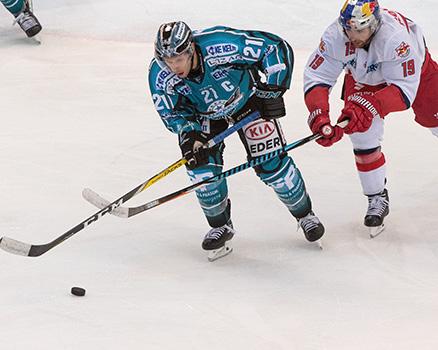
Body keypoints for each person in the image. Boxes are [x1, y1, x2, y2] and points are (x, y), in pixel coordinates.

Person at [149, 21, 325, 261]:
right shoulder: (159, 75)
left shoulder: (221, 45)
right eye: (167, 61)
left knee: (272, 165)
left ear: (191, 49)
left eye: (178, 59)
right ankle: (220, 225)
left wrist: (272, 90)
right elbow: (171, 112)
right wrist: (190, 133)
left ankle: (305, 215)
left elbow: (273, 48)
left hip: (248, 102)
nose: (173, 66)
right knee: (201, 173)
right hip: (204, 117)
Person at [303, 0, 438, 236]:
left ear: (374, 24)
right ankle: (377, 197)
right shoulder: (335, 35)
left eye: (359, 30)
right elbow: (317, 76)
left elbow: (404, 89)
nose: (352, 35)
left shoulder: (395, 39)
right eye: (348, 29)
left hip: (418, 73)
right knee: (362, 135)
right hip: (364, 78)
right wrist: (319, 114)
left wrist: (368, 106)